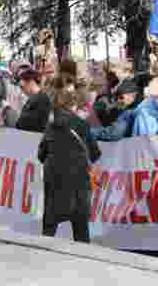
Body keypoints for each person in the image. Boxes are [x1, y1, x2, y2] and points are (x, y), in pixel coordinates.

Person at [38, 76, 101, 242]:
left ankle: (41, 257)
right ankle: (83, 264)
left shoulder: (50, 127)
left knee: (49, 227)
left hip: (55, 184)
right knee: (81, 230)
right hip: (79, 185)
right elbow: (95, 153)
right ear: (73, 105)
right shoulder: (82, 125)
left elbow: (40, 155)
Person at [16, 67, 52, 133]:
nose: (23, 91)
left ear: (31, 82)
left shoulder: (42, 99)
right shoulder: (34, 98)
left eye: (23, 87)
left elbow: (33, 123)